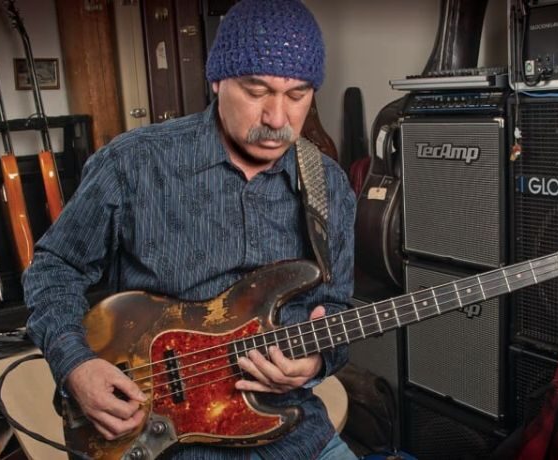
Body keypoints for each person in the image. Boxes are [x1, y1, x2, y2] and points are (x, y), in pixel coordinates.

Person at [22, 0, 357, 458]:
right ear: (216, 81)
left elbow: (334, 307)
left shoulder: (328, 185)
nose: (278, 119)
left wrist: (317, 361)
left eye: (297, 96)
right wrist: (75, 364)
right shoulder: (133, 163)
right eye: (256, 91)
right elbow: (54, 268)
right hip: (158, 437)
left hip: (293, 434)